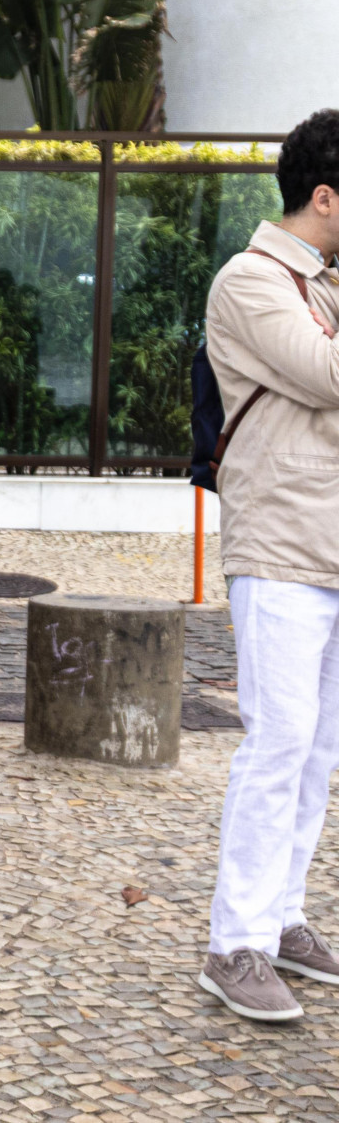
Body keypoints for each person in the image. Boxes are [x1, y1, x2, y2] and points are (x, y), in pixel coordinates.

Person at [199, 108, 339, 1022]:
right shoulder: (250, 282)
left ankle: (283, 913)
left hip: (331, 546)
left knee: (320, 751)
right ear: (326, 196)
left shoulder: (326, 283)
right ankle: (234, 942)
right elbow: (328, 378)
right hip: (282, 544)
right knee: (277, 740)